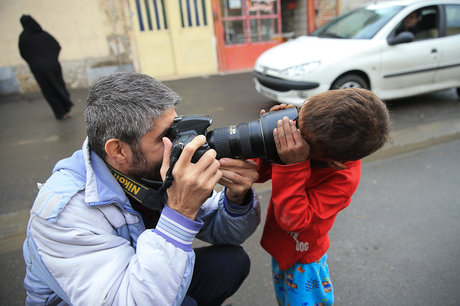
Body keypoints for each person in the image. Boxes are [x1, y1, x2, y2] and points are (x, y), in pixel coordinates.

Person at [22, 72, 261, 305]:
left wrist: (236, 198)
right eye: (164, 136)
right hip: (118, 296)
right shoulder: (65, 212)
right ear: (118, 150)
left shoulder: (153, 169)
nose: (178, 142)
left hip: (147, 273)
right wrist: (180, 211)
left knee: (231, 263)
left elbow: (227, 233)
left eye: (175, 127)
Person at [256, 88, 391, 305]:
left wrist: (292, 164)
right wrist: (270, 140)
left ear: (333, 161)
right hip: (282, 246)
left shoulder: (343, 178)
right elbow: (258, 174)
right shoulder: (312, 139)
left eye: (302, 138)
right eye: (299, 116)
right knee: (283, 299)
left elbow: (294, 219)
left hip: (305, 261)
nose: (296, 134)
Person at [18, 15, 73, 120]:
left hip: (39, 70)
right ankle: (65, 107)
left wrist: (34, 61)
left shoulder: (24, 38)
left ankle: (60, 112)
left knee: (49, 90)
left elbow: (23, 53)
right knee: (58, 85)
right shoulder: (44, 34)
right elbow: (57, 46)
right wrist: (52, 58)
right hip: (53, 66)